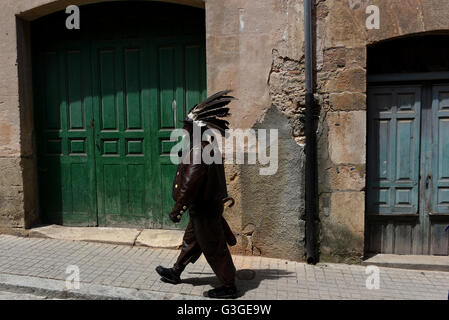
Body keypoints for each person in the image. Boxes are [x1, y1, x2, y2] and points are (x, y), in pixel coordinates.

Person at [156, 90, 238, 299]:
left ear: (194, 128)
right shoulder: (208, 146)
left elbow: (189, 186)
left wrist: (177, 210)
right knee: (191, 242)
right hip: (205, 208)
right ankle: (176, 272)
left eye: (186, 127)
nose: (183, 131)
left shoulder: (198, 150)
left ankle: (229, 286)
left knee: (214, 247)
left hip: (204, 209)